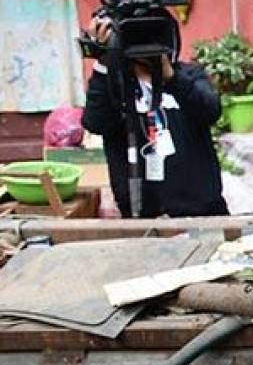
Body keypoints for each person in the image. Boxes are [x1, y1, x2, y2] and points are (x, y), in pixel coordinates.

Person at [81, 17, 228, 218]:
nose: (143, 43)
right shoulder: (114, 86)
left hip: (202, 211)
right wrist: (106, 60)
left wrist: (171, 78)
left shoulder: (189, 76)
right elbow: (95, 123)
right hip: (141, 215)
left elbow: (211, 111)